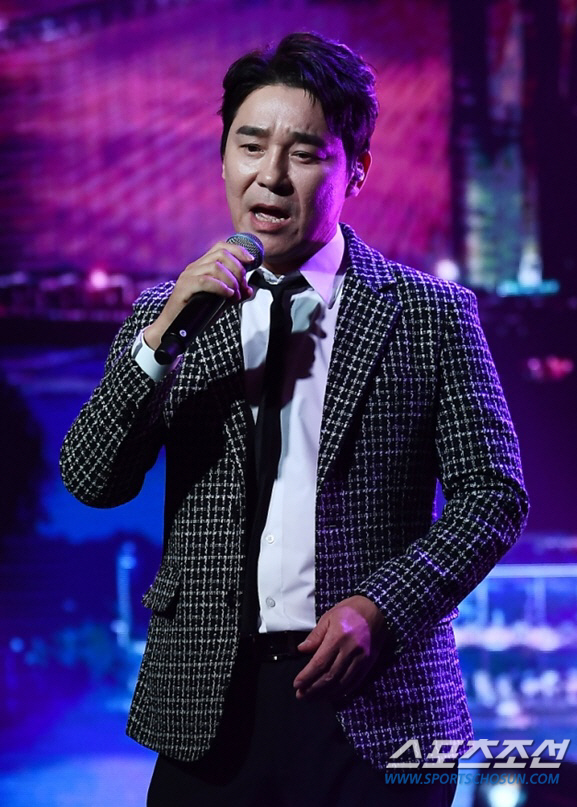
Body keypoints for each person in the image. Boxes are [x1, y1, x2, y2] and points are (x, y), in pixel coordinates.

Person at [60, 32, 529, 807]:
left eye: (305, 153)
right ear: (223, 159)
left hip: (377, 707)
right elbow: (90, 478)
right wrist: (162, 336)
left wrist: (381, 609)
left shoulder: (430, 314)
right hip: (207, 711)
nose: (270, 175)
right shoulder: (169, 315)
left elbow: (494, 497)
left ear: (358, 169)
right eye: (250, 146)